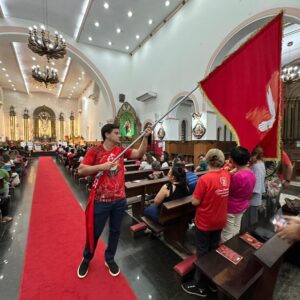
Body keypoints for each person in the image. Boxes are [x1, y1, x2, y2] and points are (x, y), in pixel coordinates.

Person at [77, 123, 151, 278]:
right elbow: (81, 170)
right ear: (107, 134)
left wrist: (145, 137)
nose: (120, 135)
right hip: (101, 200)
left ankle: (109, 258)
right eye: (117, 133)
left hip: (119, 200)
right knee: (95, 232)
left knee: (115, 231)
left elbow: (138, 154)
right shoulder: (95, 151)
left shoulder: (121, 150)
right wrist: (101, 166)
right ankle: (87, 258)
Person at [182, 149, 230, 297]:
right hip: (220, 219)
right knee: (213, 250)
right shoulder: (226, 175)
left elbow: (195, 202)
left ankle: (200, 286)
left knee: (202, 252)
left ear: (207, 161)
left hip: (206, 221)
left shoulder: (205, 179)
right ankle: (212, 282)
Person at [221, 146, 256, 242]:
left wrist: (228, 174)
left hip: (231, 207)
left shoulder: (237, 176)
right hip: (242, 205)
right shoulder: (251, 173)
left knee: (227, 233)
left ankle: (226, 253)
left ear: (232, 160)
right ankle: (234, 247)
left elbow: (228, 189)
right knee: (236, 229)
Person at [241, 146, 266, 230]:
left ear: (254, 155)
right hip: (250, 199)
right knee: (248, 222)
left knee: (249, 223)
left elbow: (256, 188)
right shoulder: (258, 164)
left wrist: (244, 199)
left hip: (251, 200)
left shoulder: (257, 167)